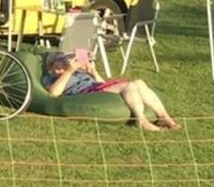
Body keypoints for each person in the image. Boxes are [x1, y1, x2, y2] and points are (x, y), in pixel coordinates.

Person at [43, 49, 180, 131]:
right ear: (51, 67)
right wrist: (68, 71)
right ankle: (141, 120)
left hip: (96, 88)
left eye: (64, 62)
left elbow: (103, 84)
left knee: (139, 82)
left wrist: (93, 72)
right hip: (86, 93)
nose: (62, 66)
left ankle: (165, 117)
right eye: (58, 64)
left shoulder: (77, 72)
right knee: (129, 86)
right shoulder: (51, 78)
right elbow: (53, 93)